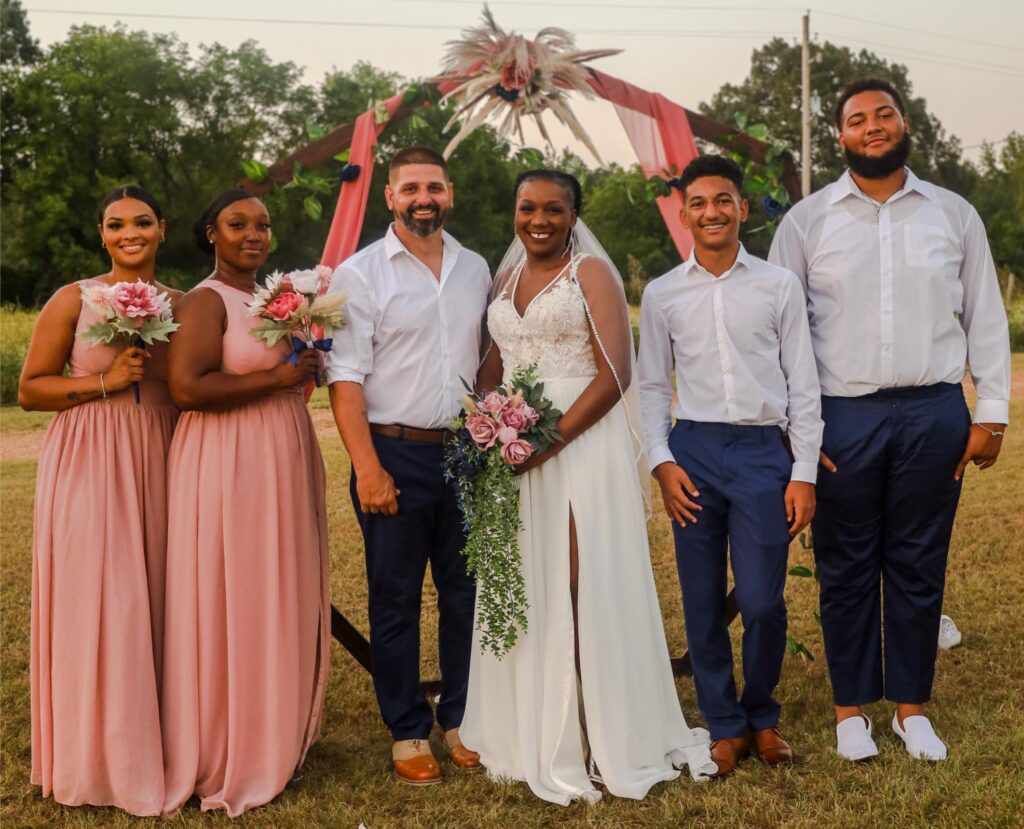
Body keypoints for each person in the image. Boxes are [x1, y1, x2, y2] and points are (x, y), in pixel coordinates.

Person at [769, 78, 1011, 762]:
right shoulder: (807, 222)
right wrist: (796, 434)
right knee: (845, 566)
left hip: (933, 409)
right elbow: (781, 335)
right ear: (839, 135)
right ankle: (851, 711)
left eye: (884, 114)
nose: (872, 126)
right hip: (841, 415)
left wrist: (990, 412)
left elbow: (985, 315)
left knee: (917, 563)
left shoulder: (952, 214)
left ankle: (911, 709)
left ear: (906, 125)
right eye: (856, 119)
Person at [460, 169, 718, 805]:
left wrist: (546, 442)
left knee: (581, 583)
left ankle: (602, 736)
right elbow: (491, 365)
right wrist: (489, 427)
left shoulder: (590, 274)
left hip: (580, 442)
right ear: (514, 211)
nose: (539, 220)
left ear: (574, 215)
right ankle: (532, 729)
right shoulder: (504, 278)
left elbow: (616, 373)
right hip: (513, 447)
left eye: (554, 209)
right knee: (525, 581)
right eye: (527, 208)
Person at [637, 156, 822, 777]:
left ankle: (762, 714)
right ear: (682, 211)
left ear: (742, 208)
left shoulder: (777, 286)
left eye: (723, 200)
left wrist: (802, 471)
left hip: (761, 452)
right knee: (700, 598)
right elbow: (651, 389)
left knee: (765, 600)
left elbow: (803, 382)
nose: (711, 212)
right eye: (698, 202)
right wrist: (661, 462)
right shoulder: (662, 293)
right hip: (692, 451)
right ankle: (723, 722)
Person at [160, 190, 329, 816]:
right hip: (225, 460)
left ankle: (275, 727)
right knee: (229, 591)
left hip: (281, 453)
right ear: (210, 234)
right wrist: (280, 378)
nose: (253, 235)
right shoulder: (206, 300)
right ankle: (226, 741)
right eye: (237, 225)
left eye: (262, 225)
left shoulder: (278, 302)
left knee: (274, 586)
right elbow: (187, 387)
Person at [326, 147, 490, 785]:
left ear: (450, 194)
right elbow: (344, 377)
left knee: (464, 594)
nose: (424, 199)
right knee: (394, 598)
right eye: (410, 189)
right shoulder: (361, 273)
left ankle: (460, 717)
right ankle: (406, 729)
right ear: (389, 197)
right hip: (391, 450)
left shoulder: (476, 268)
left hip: (466, 453)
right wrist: (367, 466)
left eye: (435, 188)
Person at [19, 185, 180, 815]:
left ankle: (167, 738)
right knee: (102, 597)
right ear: (101, 233)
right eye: (116, 224)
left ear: (162, 229)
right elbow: (31, 390)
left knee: (162, 595)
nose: (129, 232)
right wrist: (103, 381)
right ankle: (100, 752)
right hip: (89, 453)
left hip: (166, 451)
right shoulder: (74, 299)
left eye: (142, 222)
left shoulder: (186, 304)